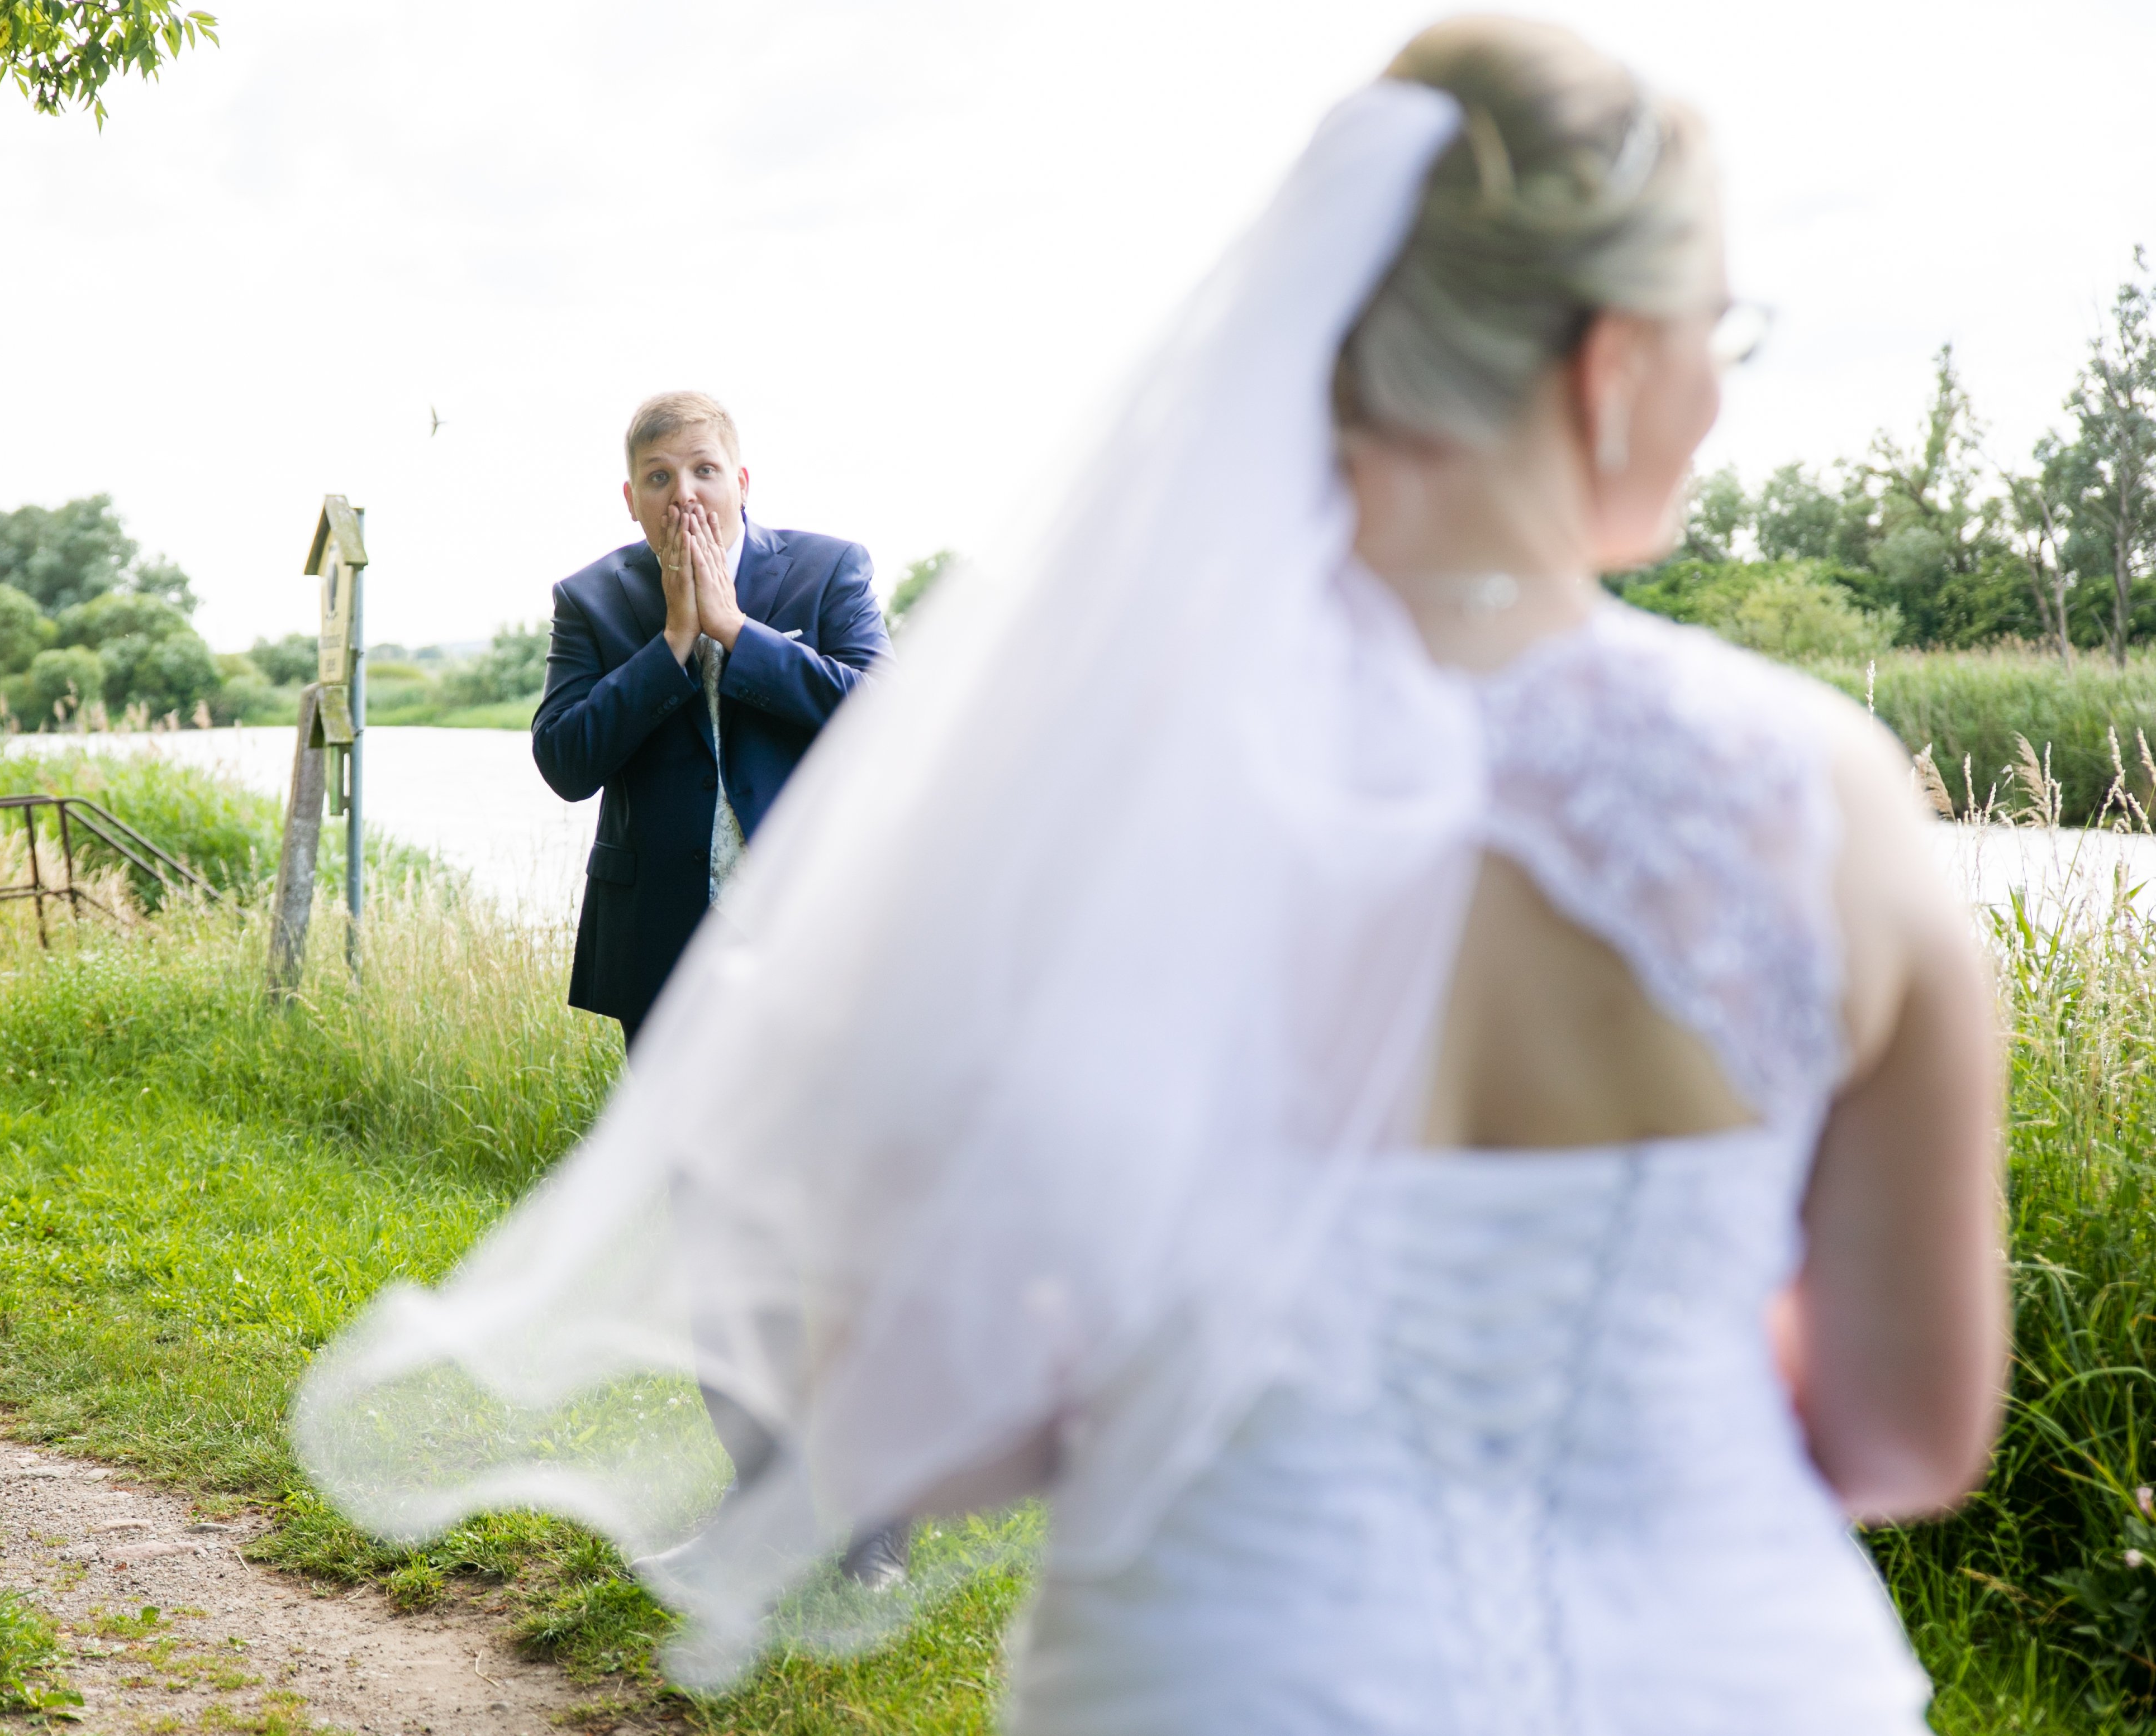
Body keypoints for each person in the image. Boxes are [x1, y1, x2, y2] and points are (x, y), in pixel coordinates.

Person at [298, 18, 2005, 1730]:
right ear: (1609, 363)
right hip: (1723, 1671)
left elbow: (938, 1419)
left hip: (1223, 1661)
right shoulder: (1817, 794)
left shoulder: (1098, 779)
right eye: (1720, 329)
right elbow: (1908, 1429)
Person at [531, 392, 891, 1039]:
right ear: (631, 499)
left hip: (809, 917)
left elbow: (886, 716)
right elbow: (565, 762)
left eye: (705, 470)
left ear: (742, 482)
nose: (684, 495)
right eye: (659, 477)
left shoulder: (830, 568)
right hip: (655, 934)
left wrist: (734, 630)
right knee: (672, 1140)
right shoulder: (588, 598)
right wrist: (672, 639)